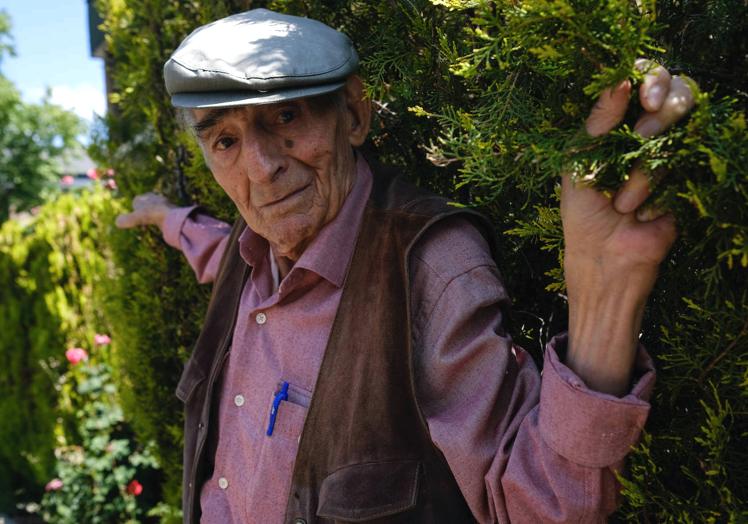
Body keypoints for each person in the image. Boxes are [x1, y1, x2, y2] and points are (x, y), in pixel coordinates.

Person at [115, 8, 695, 524]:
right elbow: (219, 250)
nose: (261, 167)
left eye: (286, 117)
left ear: (355, 115)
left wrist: (602, 296)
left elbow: (534, 503)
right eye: (225, 141)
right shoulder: (256, 244)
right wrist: (166, 217)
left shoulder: (430, 268)